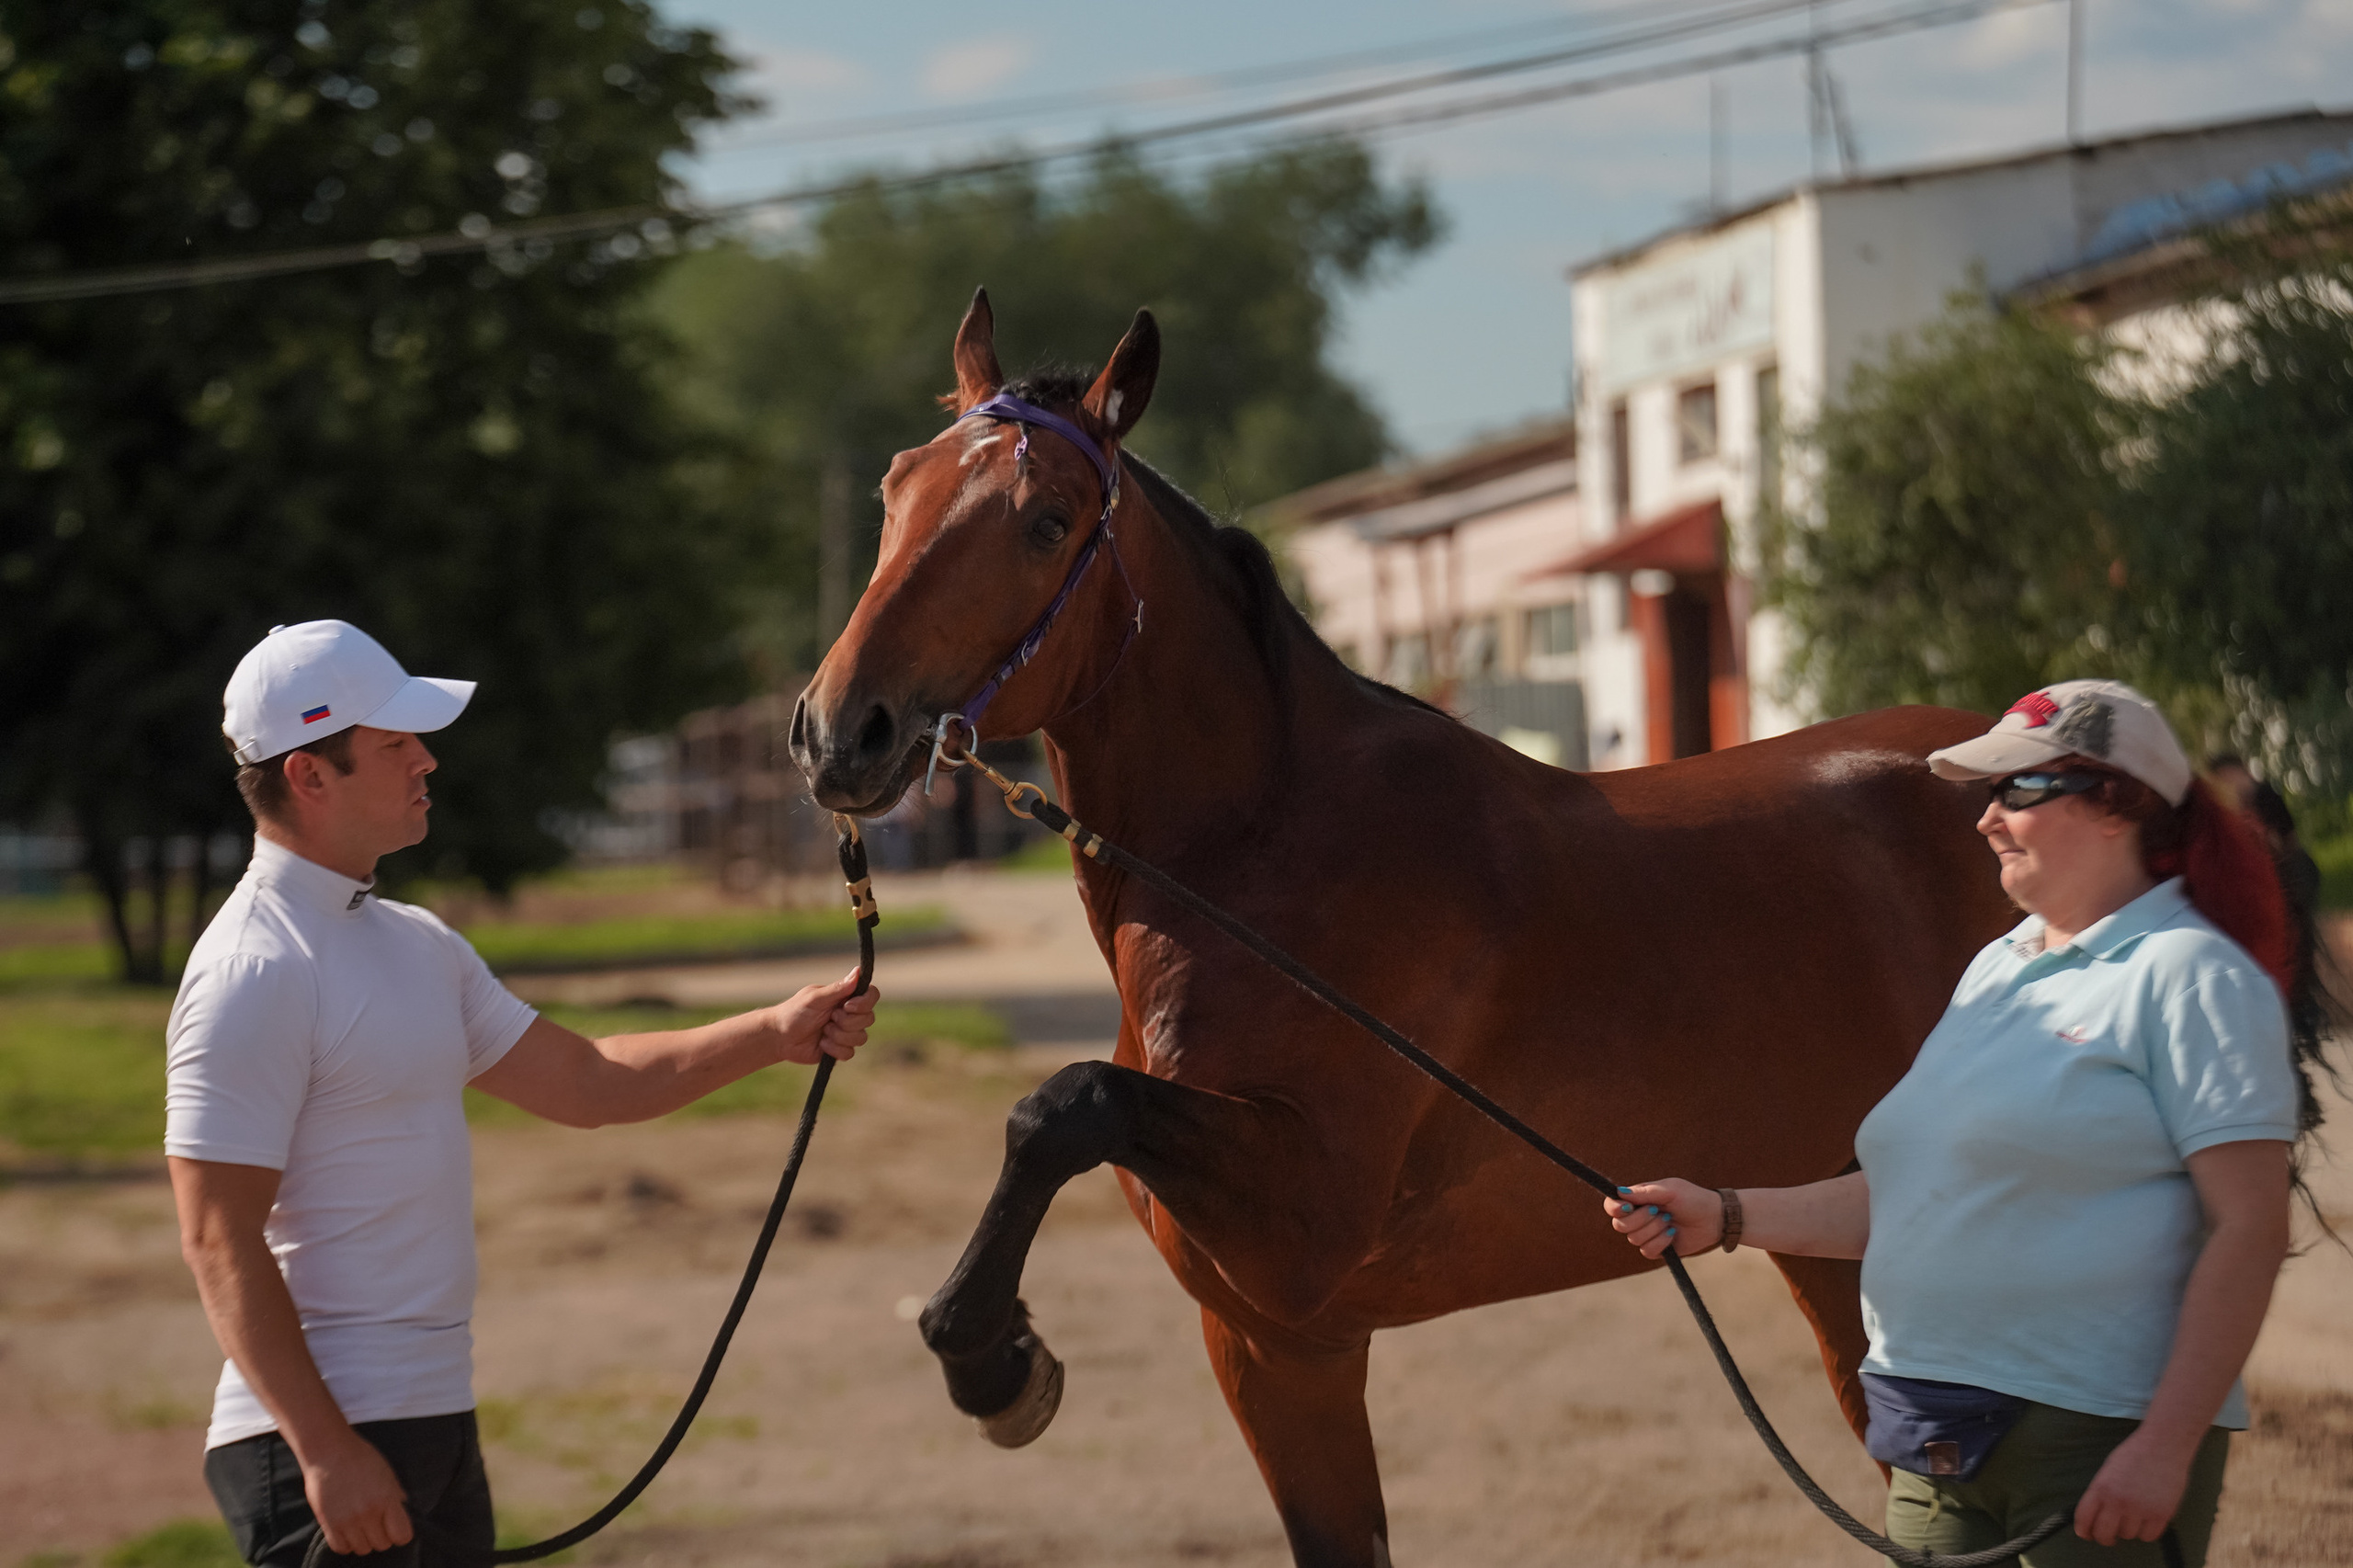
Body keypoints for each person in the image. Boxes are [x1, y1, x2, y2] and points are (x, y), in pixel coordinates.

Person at [167, 621, 879, 1566]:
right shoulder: (252, 967)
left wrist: (772, 1032)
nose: (426, 758)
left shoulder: (416, 942)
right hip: (322, 1440)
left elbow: (587, 1080)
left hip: (431, 1417)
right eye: (393, 744)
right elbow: (216, 1235)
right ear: (309, 774)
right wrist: (327, 1450)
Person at [1604, 679, 2317, 1567]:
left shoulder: (2192, 976)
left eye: (2016, 790)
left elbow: (2247, 1227)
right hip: (1934, 1434)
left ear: (2117, 804)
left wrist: (2163, 1447)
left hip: (2091, 1437)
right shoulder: (1999, 966)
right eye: (1987, 794)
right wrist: (1729, 1215)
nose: (1985, 820)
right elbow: (1918, 1190)